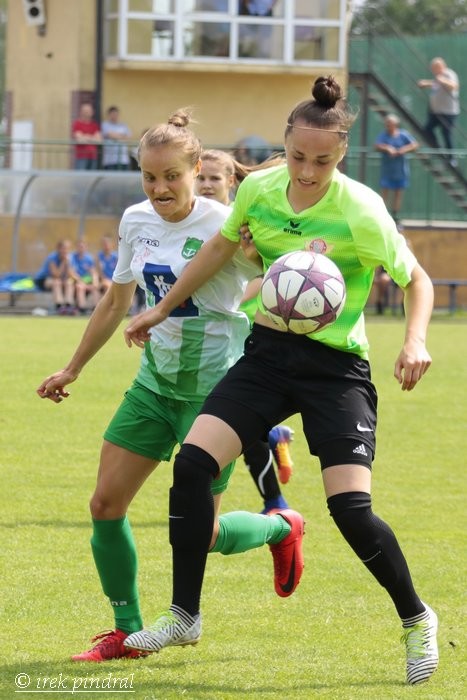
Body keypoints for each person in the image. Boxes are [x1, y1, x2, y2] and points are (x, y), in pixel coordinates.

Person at [123, 76, 438, 687]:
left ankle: (416, 616)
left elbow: (416, 279)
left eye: (322, 161)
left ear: (341, 155)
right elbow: (220, 248)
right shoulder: (260, 190)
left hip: (334, 368)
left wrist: (415, 340)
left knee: (351, 510)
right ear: (285, 146)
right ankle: (184, 616)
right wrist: (162, 307)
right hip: (267, 355)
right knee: (193, 464)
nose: (307, 171)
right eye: (297, 157)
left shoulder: (361, 209)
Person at [36, 110, 305, 663]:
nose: (159, 188)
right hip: (154, 386)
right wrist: (73, 367)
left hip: (217, 396)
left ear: (197, 169)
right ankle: (126, 631)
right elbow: (116, 300)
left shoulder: (225, 224)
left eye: (171, 177)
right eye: (149, 177)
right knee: (105, 503)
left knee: (201, 534)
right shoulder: (135, 221)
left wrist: (265, 256)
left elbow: (280, 274)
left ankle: (279, 528)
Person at [196, 148, 294, 510]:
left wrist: (235, 301)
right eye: (201, 178)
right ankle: (273, 434)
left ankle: (276, 502)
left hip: (241, 330)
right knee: (227, 418)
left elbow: (265, 270)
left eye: (215, 178)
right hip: (203, 334)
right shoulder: (193, 219)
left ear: (231, 182)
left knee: (236, 420)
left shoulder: (242, 223)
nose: (206, 185)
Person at [374, 114, 419, 224]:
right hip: (387, 170)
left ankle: (395, 215)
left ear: (395, 124)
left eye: (390, 124)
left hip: (400, 170)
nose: (388, 126)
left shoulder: (403, 134)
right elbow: (377, 145)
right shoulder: (383, 135)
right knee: (385, 192)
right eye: (387, 124)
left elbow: (414, 145)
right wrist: (387, 148)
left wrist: (403, 149)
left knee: (398, 193)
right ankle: (382, 215)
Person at [417, 57, 460, 163]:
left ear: (442, 66)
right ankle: (437, 150)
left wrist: (442, 80)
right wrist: (426, 83)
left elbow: (454, 86)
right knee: (427, 130)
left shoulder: (449, 74)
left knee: (446, 133)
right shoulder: (437, 77)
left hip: (448, 112)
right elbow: (435, 83)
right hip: (436, 112)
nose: (434, 70)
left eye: (435, 68)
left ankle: (451, 158)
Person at [34, 239, 77, 315]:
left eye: (67, 249)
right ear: (59, 249)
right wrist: (63, 262)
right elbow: (56, 275)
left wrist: (68, 264)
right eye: (64, 248)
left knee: (69, 282)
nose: (65, 251)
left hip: (60, 280)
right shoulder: (52, 257)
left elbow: (70, 274)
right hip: (43, 280)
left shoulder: (70, 258)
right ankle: (59, 306)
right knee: (57, 282)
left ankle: (69, 305)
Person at [70, 239, 100, 314]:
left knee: (95, 288)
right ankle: (82, 308)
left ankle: (96, 309)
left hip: (86, 281)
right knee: (80, 287)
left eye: (83, 247)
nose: (81, 248)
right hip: (75, 281)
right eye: (79, 246)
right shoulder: (72, 257)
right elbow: (71, 273)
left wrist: (95, 282)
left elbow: (93, 272)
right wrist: (80, 281)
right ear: (76, 247)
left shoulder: (89, 258)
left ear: (86, 247)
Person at [71, 102, 102, 170]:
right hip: (81, 157)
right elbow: (79, 140)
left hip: (93, 157)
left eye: (89, 111)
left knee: (92, 176)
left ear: (92, 112)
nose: (87, 113)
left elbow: (99, 141)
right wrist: (92, 137)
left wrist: (85, 137)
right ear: (81, 112)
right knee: (80, 176)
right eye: (85, 111)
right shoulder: (77, 124)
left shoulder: (94, 125)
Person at [101, 106, 132, 171]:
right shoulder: (105, 125)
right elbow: (110, 135)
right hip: (110, 160)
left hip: (123, 159)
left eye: (116, 114)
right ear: (109, 115)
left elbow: (128, 137)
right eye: (113, 114)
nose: (114, 116)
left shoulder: (123, 125)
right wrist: (122, 136)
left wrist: (116, 136)